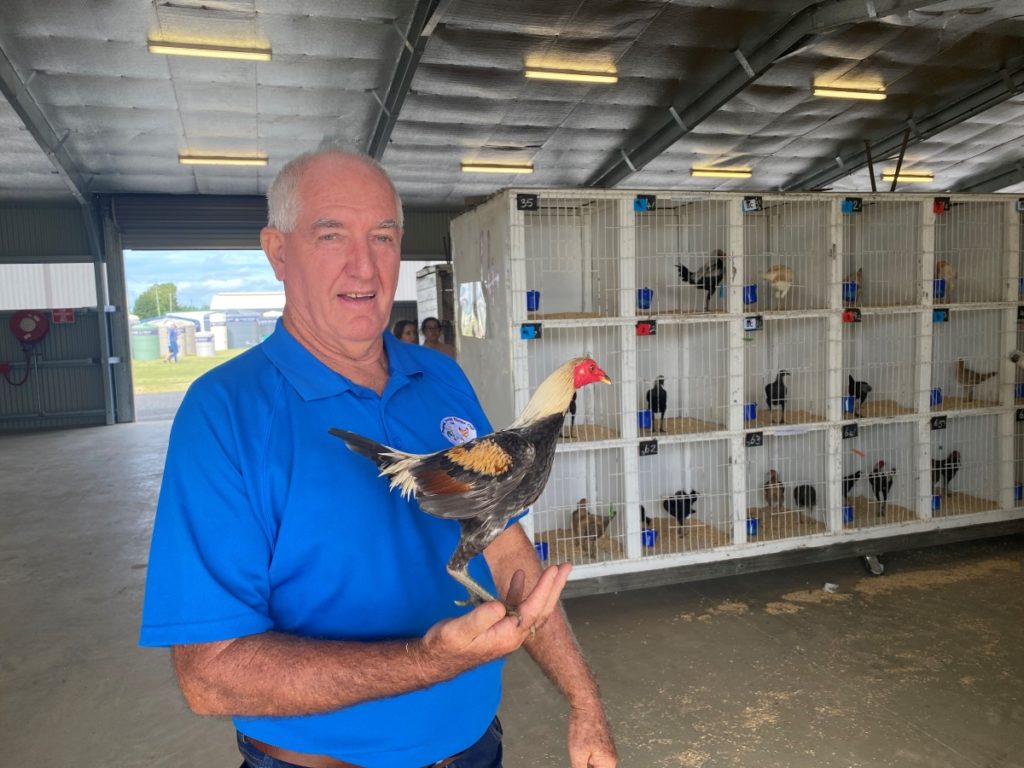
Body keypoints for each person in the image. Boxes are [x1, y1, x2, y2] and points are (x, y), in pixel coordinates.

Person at [140, 149, 617, 768]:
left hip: (475, 749)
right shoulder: (224, 412)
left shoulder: (443, 380)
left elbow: (502, 544)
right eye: (330, 235)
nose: (363, 264)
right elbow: (210, 677)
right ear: (278, 252)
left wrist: (586, 703)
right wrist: (429, 661)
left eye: (383, 237)